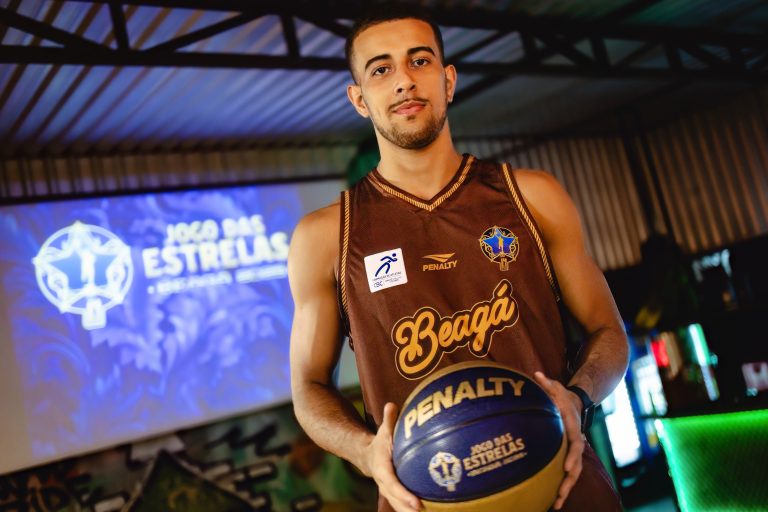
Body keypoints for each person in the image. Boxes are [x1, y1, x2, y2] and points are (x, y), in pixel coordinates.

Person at [288, 5, 628, 512]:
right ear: (359, 99)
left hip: (561, 482)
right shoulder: (325, 237)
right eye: (380, 69)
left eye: (419, 60)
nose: (404, 80)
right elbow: (308, 388)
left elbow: (610, 332)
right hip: (423, 498)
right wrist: (364, 451)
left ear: (448, 80)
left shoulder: (531, 196)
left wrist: (577, 399)